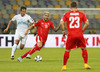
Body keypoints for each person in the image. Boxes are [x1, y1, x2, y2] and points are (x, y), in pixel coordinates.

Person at [59, 1, 91, 71]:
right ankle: (86, 64)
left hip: (71, 35)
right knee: (83, 48)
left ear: (70, 7)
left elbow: (61, 23)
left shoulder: (66, 14)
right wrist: (82, 30)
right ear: (76, 7)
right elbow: (87, 23)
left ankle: (64, 66)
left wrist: (63, 31)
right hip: (79, 34)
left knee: (67, 50)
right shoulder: (81, 14)